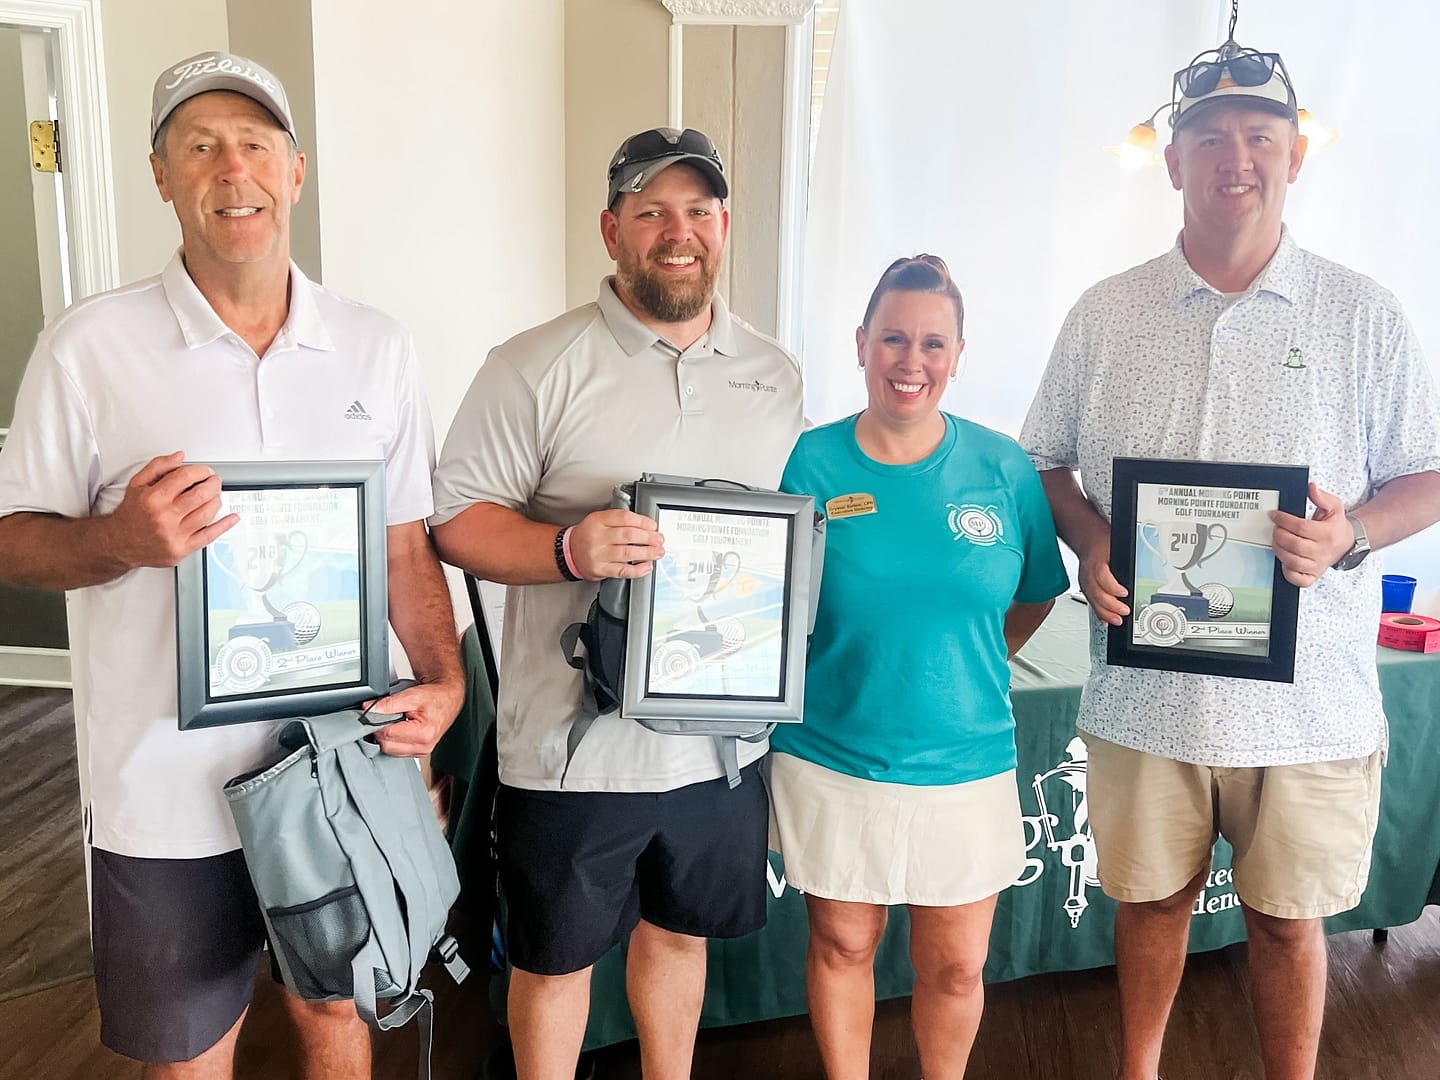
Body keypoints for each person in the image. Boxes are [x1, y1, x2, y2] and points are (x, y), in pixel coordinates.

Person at [0, 51, 464, 1078]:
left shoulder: (375, 346)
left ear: (295, 171)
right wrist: (115, 540)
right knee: (186, 1056)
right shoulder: (88, 347)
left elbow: (401, 539)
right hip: (162, 794)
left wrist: (443, 677)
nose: (232, 168)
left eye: (255, 144)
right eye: (199, 146)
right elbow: (15, 537)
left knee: (339, 1019)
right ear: (161, 175)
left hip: (341, 764)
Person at [1019, 28, 1440, 1080]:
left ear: (1296, 153)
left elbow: (1427, 472)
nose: (1234, 158)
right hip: (1145, 692)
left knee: (1290, 925)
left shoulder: (1366, 315)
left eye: (1259, 135)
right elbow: (1044, 463)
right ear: (1173, 161)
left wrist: (1352, 536)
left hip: (1309, 702)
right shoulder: (1106, 313)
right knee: (1149, 905)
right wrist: (1092, 535)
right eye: (1209, 137)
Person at [429, 127, 803, 1080]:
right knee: (554, 965)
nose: (677, 234)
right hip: (570, 755)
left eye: (696, 212)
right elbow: (454, 524)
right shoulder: (530, 365)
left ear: (725, 225)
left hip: (721, 745)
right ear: (611, 231)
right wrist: (566, 546)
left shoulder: (776, 375)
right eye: (650, 214)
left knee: (679, 940)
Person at [771, 254, 1070, 1080]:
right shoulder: (807, 464)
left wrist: (965, 667)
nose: (912, 361)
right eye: (894, 339)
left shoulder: (1003, 468)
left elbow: (1038, 592)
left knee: (955, 966)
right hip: (833, 750)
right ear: (862, 344)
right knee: (842, 944)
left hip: (966, 758)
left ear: (959, 354)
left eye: (933, 343)